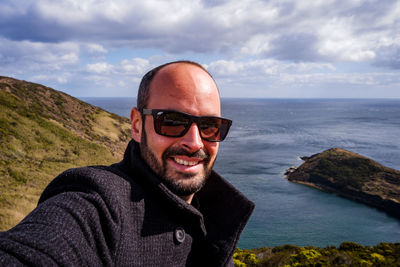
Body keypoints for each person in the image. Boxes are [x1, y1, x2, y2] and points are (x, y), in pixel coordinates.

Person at [0, 60, 254, 266]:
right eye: (172, 121)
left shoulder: (212, 220)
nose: (195, 142)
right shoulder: (97, 202)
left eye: (210, 126)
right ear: (136, 125)